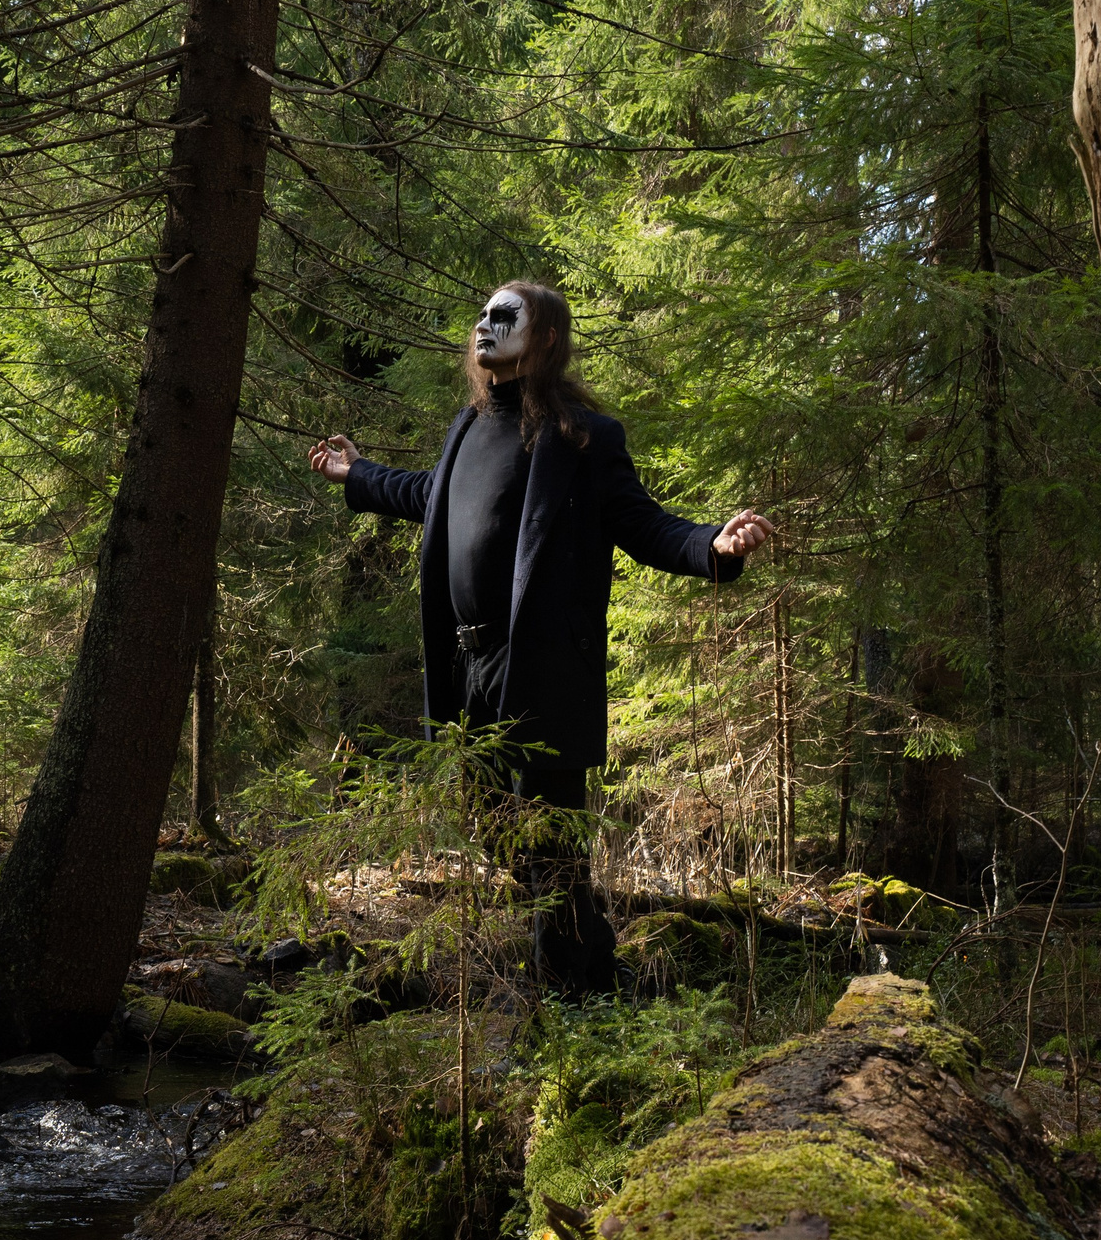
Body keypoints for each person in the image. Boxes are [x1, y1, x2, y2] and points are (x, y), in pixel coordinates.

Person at [309, 280, 774, 995]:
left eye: (505, 316)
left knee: (552, 843)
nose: (485, 327)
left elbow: (645, 525)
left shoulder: (581, 439)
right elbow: (428, 495)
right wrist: (357, 473)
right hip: (465, 665)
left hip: (540, 667)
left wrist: (714, 544)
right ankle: (592, 970)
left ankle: (573, 998)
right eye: (482, 316)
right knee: (489, 818)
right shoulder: (466, 429)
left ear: (547, 337)